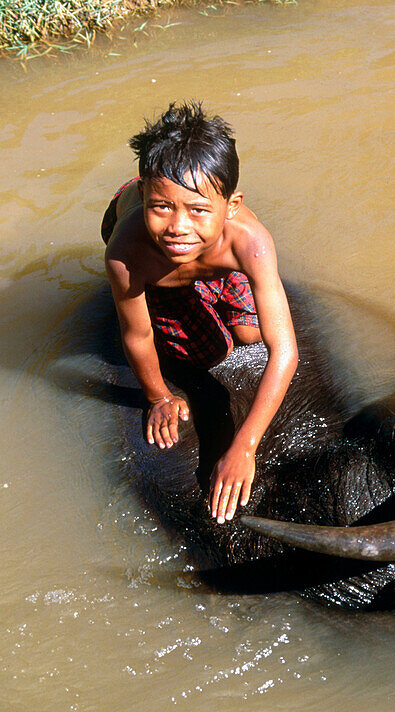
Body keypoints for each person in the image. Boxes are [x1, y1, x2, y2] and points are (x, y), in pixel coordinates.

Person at [102, 101, 298, 525]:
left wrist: (244, 447)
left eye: (198, 210)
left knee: (249, 337)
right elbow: (137, 336)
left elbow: (284, 350)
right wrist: (158, 397)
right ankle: (172, 275)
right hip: (155, 267)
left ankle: (208, 278)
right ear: (144, 197)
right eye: (161, 207)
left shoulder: (250, 241)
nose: (177, 227)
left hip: (217, 258)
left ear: (231, 205)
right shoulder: (127, 252)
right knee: (205, 353)